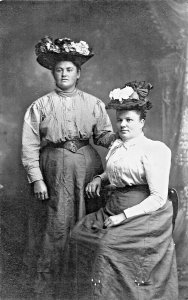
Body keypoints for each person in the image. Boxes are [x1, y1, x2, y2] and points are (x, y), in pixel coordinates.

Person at [21, 36, 115, 299]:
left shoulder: (94, 103)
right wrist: (36, 179)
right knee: (56, 224)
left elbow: (103, 136)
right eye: (59, 69)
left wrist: (123, 138)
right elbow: (29, 145)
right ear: (53, 73)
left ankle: (82, 288)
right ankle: (51, 290)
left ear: (78, 73)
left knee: (86, 222)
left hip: (87, 168)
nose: (64, 74)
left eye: (69, 70)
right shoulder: (40, 105)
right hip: (53, 169)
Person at [69, 81, 178, 300]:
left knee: (105, 246)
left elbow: (158, 197)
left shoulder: (154, 150)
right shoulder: (117, 145)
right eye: (119, 120)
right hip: (114, 205)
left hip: (144, 212)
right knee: (78, 233)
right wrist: (100, 178)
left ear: (142, 122)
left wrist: (123, 217)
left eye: (129, 120)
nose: (123, 125)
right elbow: (117, 170)